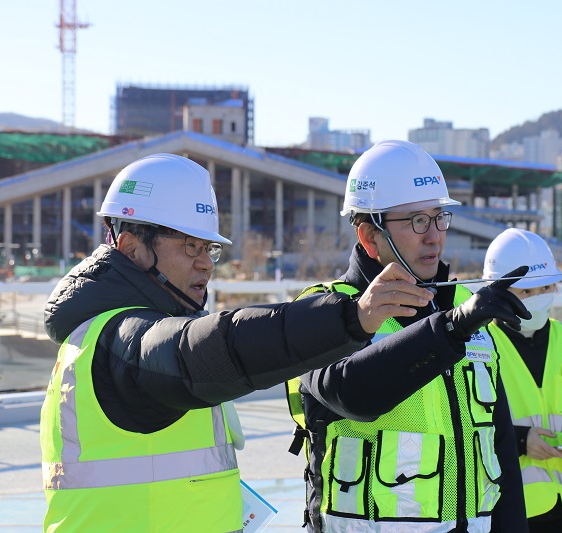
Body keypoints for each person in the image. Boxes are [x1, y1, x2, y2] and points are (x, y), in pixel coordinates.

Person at [40, 153, 435, 531]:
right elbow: (216, 345)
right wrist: (351, 317)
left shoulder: (113, 335)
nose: (206, 263)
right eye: (190, 246)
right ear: (131, 248)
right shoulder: (120, 341)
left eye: (208, 248)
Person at [286, 140, 532, 532]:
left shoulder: (465, 304)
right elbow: (353, 392)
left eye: (440, 217)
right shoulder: (323, 310)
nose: (434, 236)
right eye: (417, 221)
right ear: (369, 236)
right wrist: (451, 328)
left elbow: (498, 440)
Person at [483, 229, 562, 533]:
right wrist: (523, 441)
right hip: (512, 511)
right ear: (499, 292)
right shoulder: (480, 345)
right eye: (526, 292)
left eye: (545, 287)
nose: (538, 298)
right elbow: (472, 431)